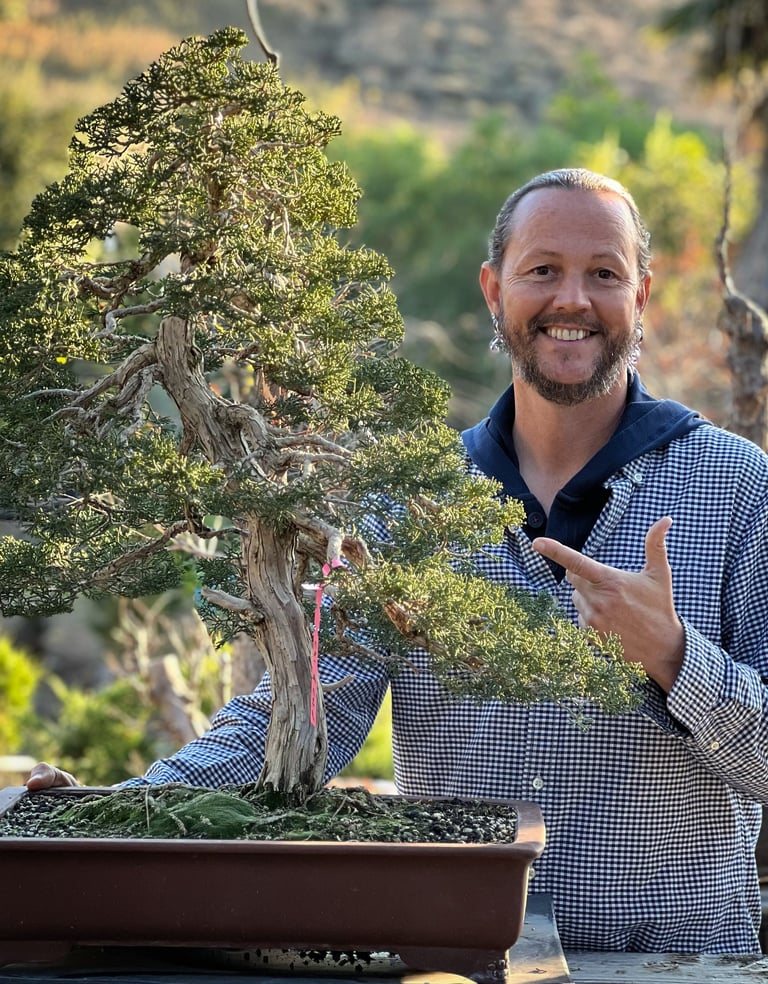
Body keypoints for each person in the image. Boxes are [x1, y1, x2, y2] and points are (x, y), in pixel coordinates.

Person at [28, 168, 768, 955]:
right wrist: (114, 813)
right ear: (494, 290)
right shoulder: (403, 502)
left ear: (642, 296)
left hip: (682, 964)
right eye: (543, 269)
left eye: (605, 274)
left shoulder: (739, 487)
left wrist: (674, 656)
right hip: (461, 959)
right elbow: (298, 717)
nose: (573, 299)